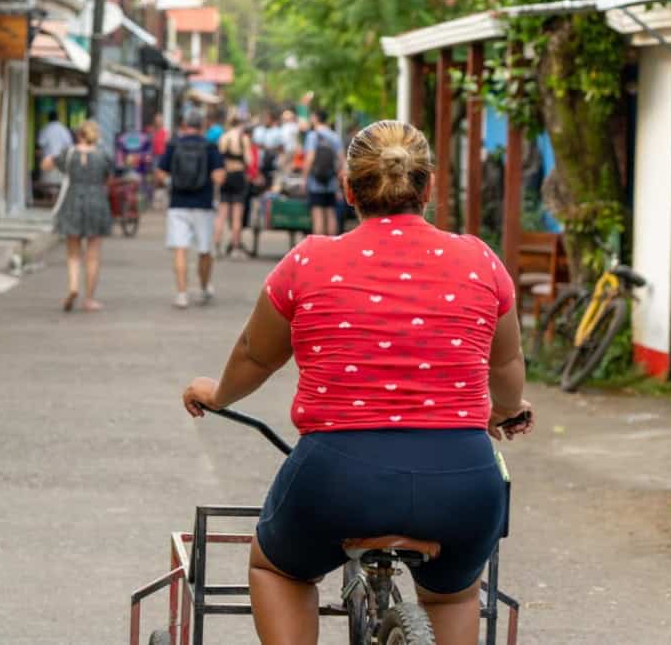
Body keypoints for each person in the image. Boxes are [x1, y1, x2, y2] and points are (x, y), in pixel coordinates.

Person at [181, 119, 532, 645]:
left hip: (340, 480)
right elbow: (504, 369)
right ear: (428, 187)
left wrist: (217, 393)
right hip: (462, 481)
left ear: (349, 189)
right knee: (455, 594)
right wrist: (504, 409)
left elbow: (256, 356)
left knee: (276, 569)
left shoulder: (309, 262)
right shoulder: (480, 260)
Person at [42, 120, 112, 313]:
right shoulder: (103, 156)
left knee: (73, 254)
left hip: (72, 202)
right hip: (97, 202)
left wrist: (53, 157)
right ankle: (89, 299)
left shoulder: (69, 154)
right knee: (93, 256)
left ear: (78, 135)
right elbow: (108, 177)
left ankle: (73, 287)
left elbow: (46, 164)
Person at [157, 110, 225, 309]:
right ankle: (204, 288)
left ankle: (181, 294)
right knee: (205, 250)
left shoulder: (173, 145)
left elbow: (160, 174)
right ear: (202, 126)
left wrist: (172, 181)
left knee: (180, 249)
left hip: (178, 204)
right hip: (203, 205)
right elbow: (219, 177)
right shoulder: (210, 147)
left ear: (184, 125)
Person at [302, 109, 345, 236]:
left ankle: (319, 250)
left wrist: (304, 179)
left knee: (318, 214)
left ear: (315, 118)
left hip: (315, 180)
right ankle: (331, 247)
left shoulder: (313, 136)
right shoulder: (335, 136)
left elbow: (310, 158)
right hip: (331, 180)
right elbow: (341, 160)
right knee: (331, 213)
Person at [214, 114, 252, 259]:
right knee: (237, 215)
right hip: (238, 176)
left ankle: (216, 245)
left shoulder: (224, 137)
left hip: (226, 176)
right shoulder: (244, 139)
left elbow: (219, 157)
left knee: (222, 213)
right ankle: (235, 247)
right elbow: (249, 161)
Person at [36, 111, 74, 199]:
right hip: (60, 158)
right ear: (58, 118)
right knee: (59, 179)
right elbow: (69, 144)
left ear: (48, 118)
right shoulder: (63, 129)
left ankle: (47, 198)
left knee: (47, 180)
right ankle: (57, 198)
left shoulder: (45, 129)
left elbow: (40, 143)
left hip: (48, 158)